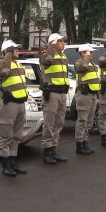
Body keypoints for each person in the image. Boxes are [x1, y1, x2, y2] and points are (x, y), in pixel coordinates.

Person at [0, 39, 30, 175]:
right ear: (6, 51)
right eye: (14, 49)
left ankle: (13, 162)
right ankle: (5, 165)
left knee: (16, 136)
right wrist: (7, 55)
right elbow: (1, 72)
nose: (18, 50)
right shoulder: (1, 65)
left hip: (20, 104)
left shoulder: (19, 65)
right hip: (9, 105)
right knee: (6, 136)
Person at [40, 33, 71, 164]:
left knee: (59, 123)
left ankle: (53, 148)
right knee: (49, 123)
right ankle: (47, 151)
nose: (63, 43)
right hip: (51, 94)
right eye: (61, 41)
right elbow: (45, 62)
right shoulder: (47, 54)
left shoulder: (62, 55)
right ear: (53, 43)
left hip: (61, 93)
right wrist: (51, 48)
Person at [73, 43, 100, 155]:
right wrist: (86, 58)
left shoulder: (92, 63)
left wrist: (97, 96)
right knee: (82, 120)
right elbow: (81, 68)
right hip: (84, 94)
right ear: (83, 53)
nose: (92, 54)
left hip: (92, 95)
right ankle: (79, 144)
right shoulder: (79, 62)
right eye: (90, 52)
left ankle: (85, 142)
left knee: (89, 121)